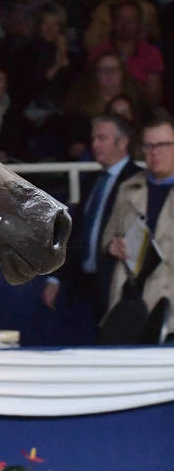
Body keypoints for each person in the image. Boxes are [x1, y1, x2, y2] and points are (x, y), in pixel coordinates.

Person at [43, 114, 138, 323]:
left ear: (122, 142)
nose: (94, 145)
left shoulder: (137, 180)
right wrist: (56, 278)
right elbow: (76, 232)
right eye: (93, 139)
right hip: (84, 287)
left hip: (119, 287)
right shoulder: (92, 180)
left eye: (102, 138)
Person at [102, 115, 174, 335]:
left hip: (169, 307)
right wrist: (112, 246)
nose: (155, 152)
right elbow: (107, 237)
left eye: (163, 145)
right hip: (130, 303)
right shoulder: (128, 188)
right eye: (149, 146)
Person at [85, 0, 165, 108]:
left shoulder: (151, 52)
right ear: (113, 22)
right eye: (120, 19)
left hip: (140, 107)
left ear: (139, 24)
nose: (125, 24)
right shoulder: (98, 51)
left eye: (131, 20)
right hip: (103, 106)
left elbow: (154, 96)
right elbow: (89, 88)